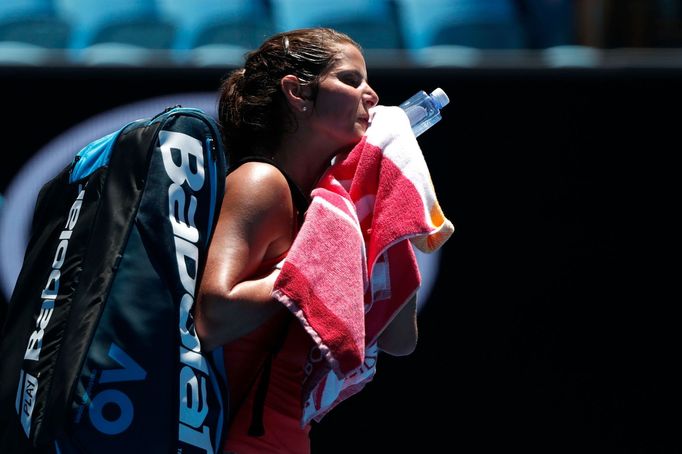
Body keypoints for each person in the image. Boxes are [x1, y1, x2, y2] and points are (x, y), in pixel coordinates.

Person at [194, 27, 418, 454]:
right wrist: (319, 255)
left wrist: (386, 213)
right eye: (351, 80)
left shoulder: (333, 212)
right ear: (297, 93)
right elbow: (214, 317)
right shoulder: (261, 183)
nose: (371, 96)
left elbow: (398, 341)